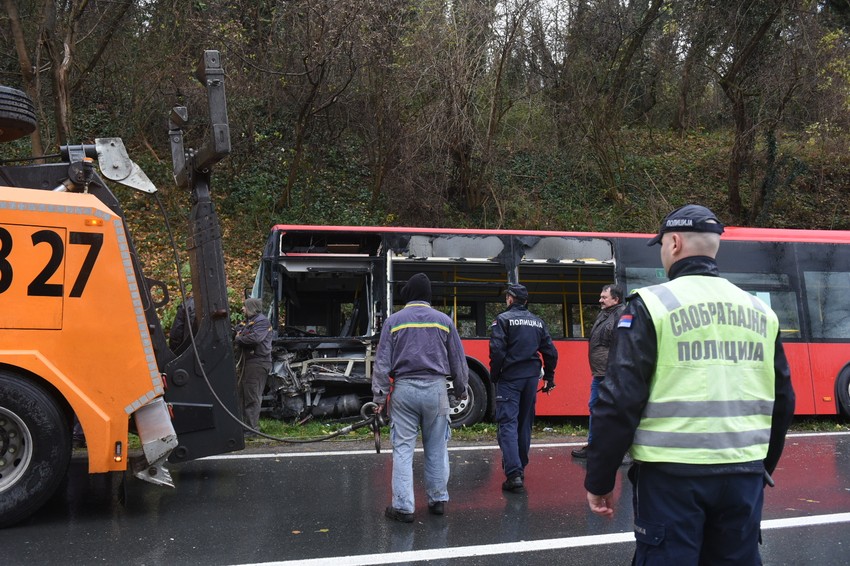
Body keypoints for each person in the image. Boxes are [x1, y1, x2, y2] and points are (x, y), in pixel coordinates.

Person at [584, 204, 796, 564]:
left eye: (663, 244)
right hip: (743, 473)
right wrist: (761, 468)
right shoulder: (760, 311)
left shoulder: (652, 305)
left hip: (671, 477)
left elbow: (619, 401)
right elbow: (783, 399)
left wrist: (600, 481)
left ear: (675, 243)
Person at [372, 273, 469, 522]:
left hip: (404, 390)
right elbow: (458, 361)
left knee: (403, 449)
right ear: (428, 296)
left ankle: (403, 508)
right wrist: (460, 390)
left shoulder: (394, 321)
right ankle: (437, 500)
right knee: (437, 447)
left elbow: (382, 363)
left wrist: (380, 398)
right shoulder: (444, 321)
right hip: (436, 390)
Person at [489, 283, 558, 493]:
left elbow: (497, 351)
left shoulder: (502, 320)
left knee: (507, 423)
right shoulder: (538, 322)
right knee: (524, 424)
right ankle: (520, 468)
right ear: (525, 301)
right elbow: (551, 352)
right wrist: (550, 376)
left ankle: (513, 474)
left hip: (510, 378)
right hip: (530, 378)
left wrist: (495, 375)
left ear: (510, 299)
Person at [571, 284, 624, 459]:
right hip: (600, 374)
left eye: (604, 297)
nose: (600, 300)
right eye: (601, 296)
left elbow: (624, 346)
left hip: (613, 374)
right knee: (595, 407)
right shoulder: (605, 314)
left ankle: (623, 450)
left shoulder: (622, 315)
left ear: (615, 299)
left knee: (616, 411)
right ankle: (594, 446)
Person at [235, 297, 273, 436]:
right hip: (250, 363)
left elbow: (254, 339)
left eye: (244, 306)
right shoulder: (250, 322)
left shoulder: (262, 322)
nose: (242, 309)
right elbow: (238, 330)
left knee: (252, 396)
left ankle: (252, 429)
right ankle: (244, 427)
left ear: (251, 307)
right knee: (243, 395)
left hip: (257, 363)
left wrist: (239, 338)